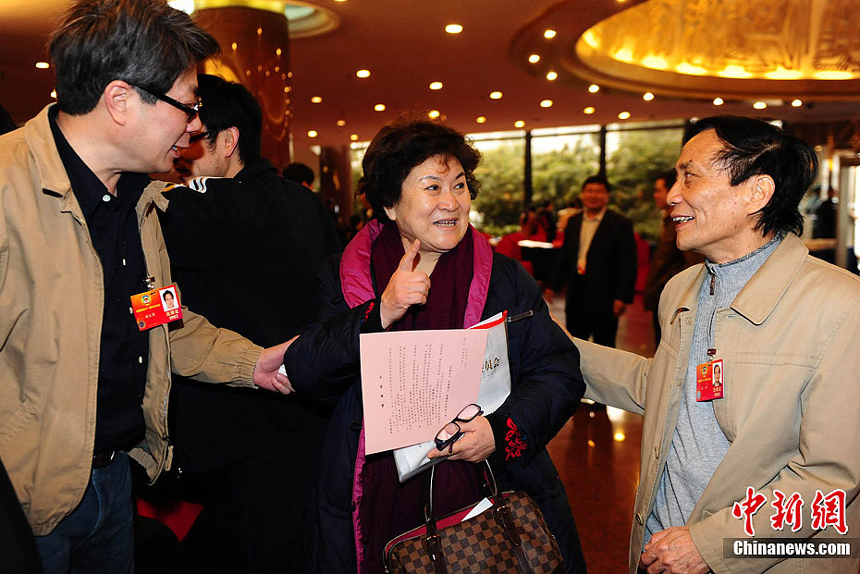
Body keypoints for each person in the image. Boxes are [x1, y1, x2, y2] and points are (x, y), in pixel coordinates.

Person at [0, 0, 292, 571]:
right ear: (120, 100)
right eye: (186, 105)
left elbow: (158, 320)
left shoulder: (141, 202)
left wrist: (251, 364)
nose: (195, 125)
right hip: (24, 502)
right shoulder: (8, 190)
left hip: (114, 480)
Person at [282, 118, 588, 574]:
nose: (451, 202)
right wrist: (379, 312)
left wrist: (500, 432)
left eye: (459, 185)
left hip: (487, 486)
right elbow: (306, 372)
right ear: (389, 203)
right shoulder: (342, 275)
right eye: (432, 187)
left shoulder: (503, 278)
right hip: (372, 492)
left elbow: (559, 372)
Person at [572, 116, 860, 574]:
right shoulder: (682, 289)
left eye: (690, 175)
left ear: (756, 193)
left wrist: (711, 545)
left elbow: (828, 477)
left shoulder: (841, 307)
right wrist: (552, 346)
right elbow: (667, 389)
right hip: (663, 546)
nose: (671, 195)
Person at [159, 74, 342, 573]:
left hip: (236, 424)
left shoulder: (201, 206)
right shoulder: (304, 201)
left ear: (228, 139)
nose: (175, 149)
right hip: (308, 416)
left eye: (190, 135)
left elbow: (145, 283)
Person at [547, 175, 637, 347]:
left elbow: (628, 263)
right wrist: (553, 285)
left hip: (606, 294)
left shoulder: (620, 223)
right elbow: (565, 256)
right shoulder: (573, 222)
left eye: (598, 192)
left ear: (607, 196)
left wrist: (622, 298)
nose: (593, 195)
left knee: (604, 343)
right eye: (589, 191)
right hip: (576, 290)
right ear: (582, 194)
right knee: (575, 341)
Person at [642, 170, 704, 346]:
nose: (658, 196)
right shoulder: (669, 221)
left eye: (658, 190)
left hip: (674, 296)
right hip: (663, 294)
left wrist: (668, 284)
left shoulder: (683, 223)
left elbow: (693, 262)